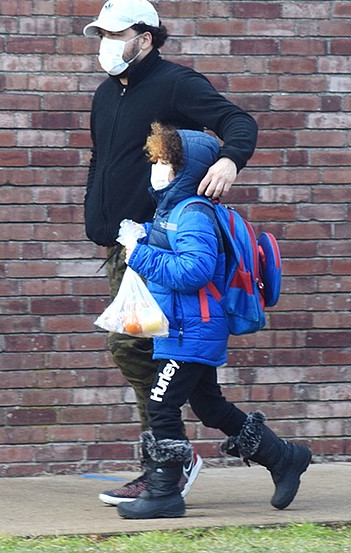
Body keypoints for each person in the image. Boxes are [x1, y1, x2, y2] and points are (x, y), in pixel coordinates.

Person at [82, 0, 258, 504]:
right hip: (122, 247)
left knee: (136, 347)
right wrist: (96, 216)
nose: (107, 46)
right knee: (181, 373)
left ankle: (166, 462)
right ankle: (272, 453)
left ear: (146, 37)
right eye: (102, 37)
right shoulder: (104, 94)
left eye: (117, 36)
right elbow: (104, 161)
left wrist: (228, 162)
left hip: (160, 246)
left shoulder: (177, 82)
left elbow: (237, 122)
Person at [115, 123, 312, 520]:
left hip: (194, 329)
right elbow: (178, 253)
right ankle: (284, 458)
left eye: (166, 163)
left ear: (186, 170)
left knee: (161, 403)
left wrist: (138, 254)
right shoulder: (177, 209)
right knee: (210, 406)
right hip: (187, 327)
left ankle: (163, 491)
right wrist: (146, 235)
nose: (158, 169)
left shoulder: (193, 214)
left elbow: (195, 270)